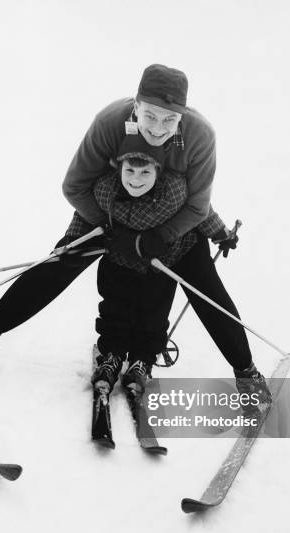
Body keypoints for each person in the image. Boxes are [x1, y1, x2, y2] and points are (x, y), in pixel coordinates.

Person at [0, 63, 271, 407]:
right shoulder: (110, 123)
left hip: (170, 220)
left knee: (205, 287)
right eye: (151, 116)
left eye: (169, 119)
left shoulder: (199, 136)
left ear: (182, 115)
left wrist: (161, 236)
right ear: (137, 105)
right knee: (60, 263)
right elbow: (74, 186)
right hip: (109, 212)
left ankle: (246, 371)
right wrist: (111, 228)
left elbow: (198, 206)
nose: (159, 128)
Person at [88, 133, 228, 395]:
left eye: (144, 172)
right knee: (116, 309)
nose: (135, 179)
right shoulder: (105, 190)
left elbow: (200, 209)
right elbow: (86, 215)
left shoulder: (176, 189)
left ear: (158, 170)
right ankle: (112, 355)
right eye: (129, 170)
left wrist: (220, 232)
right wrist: (74, 242)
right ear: (118, 169)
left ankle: (142, 360)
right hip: (118, 263)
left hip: (160, 265)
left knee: (153, 316)